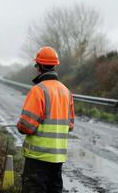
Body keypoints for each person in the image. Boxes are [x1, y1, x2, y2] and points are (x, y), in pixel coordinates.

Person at [17, 46, 75, 193]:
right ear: (55, 65)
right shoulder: (66, 91)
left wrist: (19, 124)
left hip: (38, 159)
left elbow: (26, 126)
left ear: (40, 67)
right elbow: (70, 125)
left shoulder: (38, 90)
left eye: (37, 65)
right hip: (58, 159)